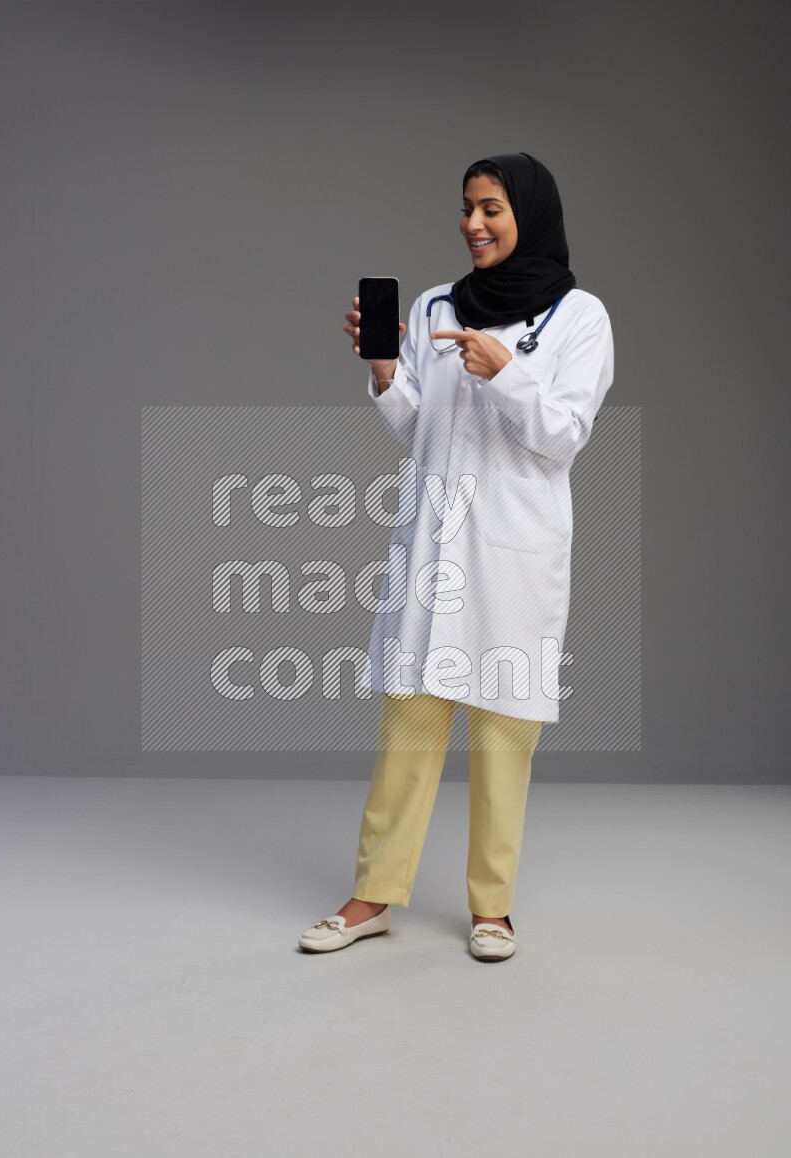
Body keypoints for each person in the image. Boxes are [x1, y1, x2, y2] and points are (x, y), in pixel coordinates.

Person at [298, 152, 614, 961]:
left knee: (505, 736)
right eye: (467, 207)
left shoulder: (579, 318)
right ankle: (373, 895)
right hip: (433, 548)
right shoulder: (437, 305)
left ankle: (492, 909)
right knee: (408, 725)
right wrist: (384, 369)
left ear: (528, 216)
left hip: (514, 555)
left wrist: (506, 374)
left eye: (491, 209)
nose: (473, 223)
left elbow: (564, 437)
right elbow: (417, 428)